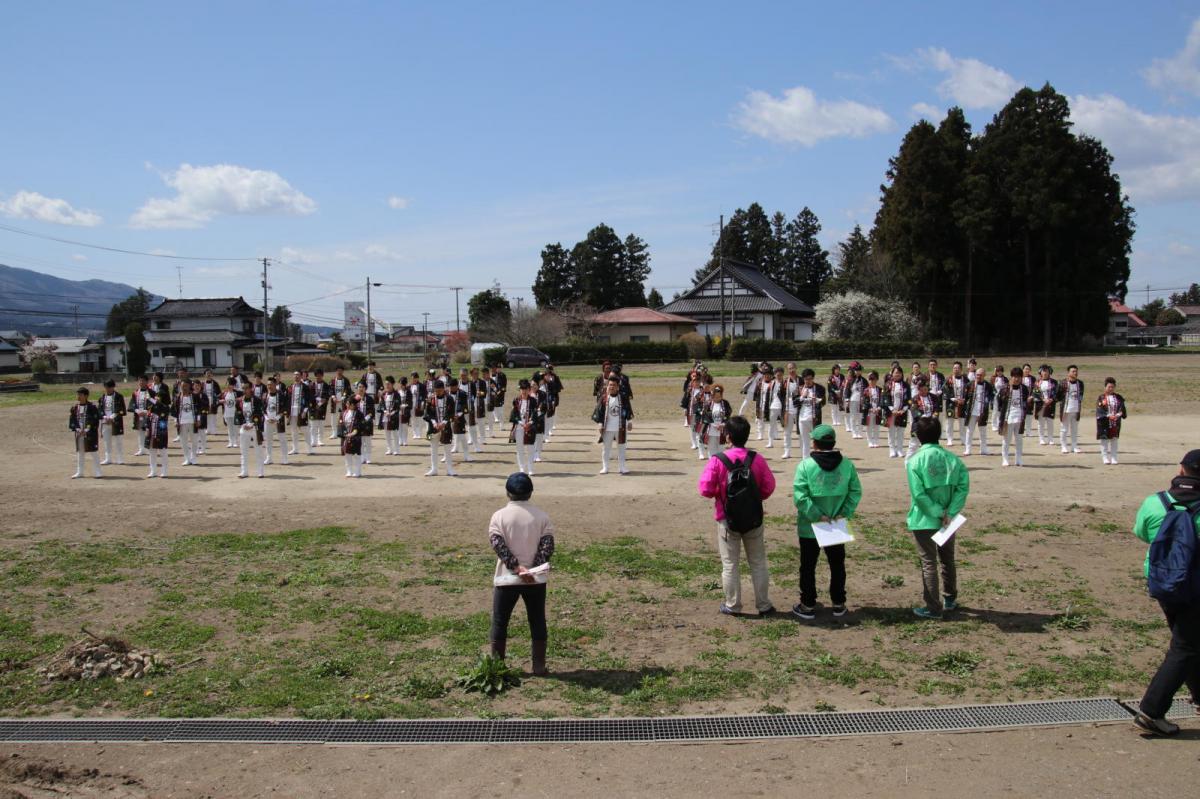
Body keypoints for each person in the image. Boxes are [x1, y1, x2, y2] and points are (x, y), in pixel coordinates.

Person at [1129, 449, 1200, 736]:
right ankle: (1151, 711)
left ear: (1181, 470)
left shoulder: (1155, 502)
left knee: (1190, 640)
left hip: (1161, 582)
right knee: (1186, 646)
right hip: (1194, 587)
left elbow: (1142, 533)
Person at [697, 416, 776, 617]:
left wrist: (721, 494)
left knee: (730, 564)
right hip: (753, 517)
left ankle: (733, 605)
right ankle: (764, 605)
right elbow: (769, 487)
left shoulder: (718, 460)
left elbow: (705, 489)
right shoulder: (757, 459)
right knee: (758, 562)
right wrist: (754, 497)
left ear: (728, 436)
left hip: (727, 518)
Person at [791, 424, 862, 619]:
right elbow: (855, 491)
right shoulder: (847, 465)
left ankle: (807, 604)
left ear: (813, 443)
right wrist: (843, 513)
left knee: (808, 565)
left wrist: (816, 515)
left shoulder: (806, 466)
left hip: (810, 527)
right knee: (837, 564)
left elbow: (800, 496)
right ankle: (839, 603)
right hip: (836, 525)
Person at [487, 472, 555, 675]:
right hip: (535, 579)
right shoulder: (542, 516)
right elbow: (547, 546)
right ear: (531, 493)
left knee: (500, 620)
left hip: (506, 579)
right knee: (537, 619)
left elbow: (498, 546)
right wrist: (530, 570)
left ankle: (497, 666)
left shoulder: (499, 516)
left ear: (507, 493)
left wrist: (516, 568)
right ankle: (539, 666)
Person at [906, 417, 970, 619]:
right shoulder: (953, 459)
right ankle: (950, 598)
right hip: (947, 520)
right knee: (947, 559)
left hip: (925, 519)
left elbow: (919, 494)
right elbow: (962, 488)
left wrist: (937, 512)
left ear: (917, 435)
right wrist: (950, 513)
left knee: (928, 562)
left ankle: (933, 607)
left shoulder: (915, 461)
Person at [594, 375, 633, 475]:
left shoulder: (623, 398)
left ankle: (622, 467)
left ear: (618, 387)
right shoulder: (604, 398)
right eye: (610, 385)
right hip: (607, 429)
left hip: (621, 428)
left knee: (622, 448)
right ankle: (605, 467)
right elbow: (599, 412)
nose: (611, 387)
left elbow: (628, 410)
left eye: (614, 385)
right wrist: (600, 423)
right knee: (606, 449)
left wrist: (629, 422)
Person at [997, 366, 1030, 467]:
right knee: (1006, 440)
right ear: (1011, 377)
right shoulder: (1004, 388)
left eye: (1019, 377)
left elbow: (1025, 402)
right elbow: (999, 403)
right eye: (1014, 376)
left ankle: (1018, 458)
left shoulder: (1024, 389)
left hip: (1020, 418)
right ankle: (1005, 458)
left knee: (1019, 439)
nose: (1016, 379)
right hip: (1008, 418)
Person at [424, 379, 457, 476]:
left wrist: (444, 423)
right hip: (432, 428)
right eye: (436, 391)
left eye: (440, 390)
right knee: (433, 448)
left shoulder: (450, 398)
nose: (438, 392)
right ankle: (434, 469)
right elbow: (427, 414)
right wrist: (434, 423)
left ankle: (449, 469)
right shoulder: (430, 399)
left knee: (447, 448)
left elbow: (451, 413)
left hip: (446, 427)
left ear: (444, 389)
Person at [69, 387, 102, 479]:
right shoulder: (75, 408)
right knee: (80, 452)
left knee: (93, 452)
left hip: (90, 433)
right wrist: (78, 429)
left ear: (86, 395)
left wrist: (86, 429)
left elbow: (94, 420)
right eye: (78, 395)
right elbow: (73, 420)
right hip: (79, 433)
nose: (78, 397)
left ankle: (98, 471)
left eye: (80, 395)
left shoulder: (92, 407)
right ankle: (80, 472)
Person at [509, 379, 539, 476]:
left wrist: (529, 423)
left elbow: (535, 414)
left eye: (526, 389)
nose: (524, 391)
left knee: (530, 448)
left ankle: (530, 467)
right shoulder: (516, 400)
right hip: (519, 427)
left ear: (529, 390)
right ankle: (522, 467)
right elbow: (513, 415)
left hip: (530, 427)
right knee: (519, 448)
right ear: (519, 390)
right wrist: (522, 423)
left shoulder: (533, 401)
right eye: (522, 389)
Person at [794, 368, 826, 460]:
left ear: (813, 378)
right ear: (803, 379)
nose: (808, 381)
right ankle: (805, 461)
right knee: (805, 442)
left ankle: (818, 460)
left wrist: (815, 400)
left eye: (810, 378)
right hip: (802, 419)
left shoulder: (820, 388)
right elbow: (794, 403)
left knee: (817, 440)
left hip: (814, 418)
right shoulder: (799, 388)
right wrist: (802, 397)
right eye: (806, 379)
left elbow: (823, 402)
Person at [234, 382, 264, 478]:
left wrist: (252, 424)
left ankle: (260, 471)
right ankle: (244, 471)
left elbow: (260, 413)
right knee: (243, 450)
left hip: (255, 428)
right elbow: (238, 414)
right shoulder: (239, 401)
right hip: (244, 428)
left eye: (246, 388)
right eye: (243, 388)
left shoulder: (257, 400)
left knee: (258, 450)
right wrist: (243, 424)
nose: (244, 390)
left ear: (251, 389)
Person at [963, 367, 994, 457]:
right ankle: (968, 449)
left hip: (982, 412)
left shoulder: (988, 385)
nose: (978, 376)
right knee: (969, 431)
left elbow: (992, 396)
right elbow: (965, 397)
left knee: (983, 431)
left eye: (980, 375)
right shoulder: (969, 385)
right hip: (972, 411)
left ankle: (983, 449)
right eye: (977, 374)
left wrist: (989, 400)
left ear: (984, 375)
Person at [1096, 377, 1128, 465]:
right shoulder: (1101, 397)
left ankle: (1114, 457)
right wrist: (1108, 416)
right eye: (1109, 387)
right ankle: (1105, 457)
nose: (1111, 389)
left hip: (1115, 421)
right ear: (1105, 387)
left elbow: (1122, 408)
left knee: (1114, 439)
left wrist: (1117, 415)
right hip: (1104, 421)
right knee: (1104, 440)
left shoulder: (1119, 397)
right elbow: (1099, 410)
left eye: (1112, 387)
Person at [337, 386, 366, 478]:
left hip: (355, 436)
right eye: (347, 403)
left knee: (356, 455)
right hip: (346, 436)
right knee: (347, 454)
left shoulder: (359, 414)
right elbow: (341, 423)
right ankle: (349, 471)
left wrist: (354, 432)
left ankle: (357, 471)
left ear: (353, 405)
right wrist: (343, 433)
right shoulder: (344, 413)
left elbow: (360, 425)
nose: (347, 405)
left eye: (349, 403)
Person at [145, 386, 171, 478]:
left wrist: (160, 433)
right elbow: (148, 417)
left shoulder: (165, 407)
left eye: (159, 396)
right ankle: (153, 471)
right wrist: (147, 428)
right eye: (156, 396)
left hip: (161, 432)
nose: (156, 398)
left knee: (163, 451)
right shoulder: (152, 406)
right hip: (151, 431)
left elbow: (163, 419)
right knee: (152, 452)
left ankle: (165, 471)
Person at [98, 379, 126, 466]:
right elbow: (99, 410)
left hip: (116, 421)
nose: (107, 389)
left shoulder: (119, 396)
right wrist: (105, 417)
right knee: (107, 441)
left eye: (109, 387)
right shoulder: (102, 397)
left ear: (113, 387)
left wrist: (112, 417)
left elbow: (122, 410)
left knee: (118, 440)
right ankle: (108, 458)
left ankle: (120, 458)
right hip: (105, 421)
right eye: (106, 387)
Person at [884, 365, 910, 459]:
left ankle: (900, 449)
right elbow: (885, 398)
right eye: (895, 372)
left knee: (900, 431)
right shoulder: (888, 384)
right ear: (892, 374)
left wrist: (904, 409)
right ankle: (892, 449)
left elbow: (909, 399)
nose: (897, 374)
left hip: (902, 412)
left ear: (902, 374)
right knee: (891, 431)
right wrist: (892, 409)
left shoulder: (906, 385)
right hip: (891, 412)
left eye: (899, 373)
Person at [1058, 365, 1085, 454]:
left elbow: (1081, 396)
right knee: (1064, 429)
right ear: (1068, 373)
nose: (1075, 373)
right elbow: (1057, 395)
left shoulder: (1080, 383)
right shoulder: (1063, 383)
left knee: (1074, 429)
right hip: (1066, 410)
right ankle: (1064, 446)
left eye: (1076, 371)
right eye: (1073, 371)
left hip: (1076, 409)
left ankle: (1074, 446)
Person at [262, 377, 287, 465]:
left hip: (279, 420)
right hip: (267, 421)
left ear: (275, 385)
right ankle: (269, 458)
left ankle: (284, 458)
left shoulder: (281, 395)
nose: (269, 386)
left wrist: (277, 418)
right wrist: (266, 418)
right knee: (268, 440)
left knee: (282, 439)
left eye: (271, 384)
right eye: (268, 384)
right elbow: (262, 408)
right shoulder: (265, 395)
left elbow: (285, 407)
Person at [701, 384, 732, 458]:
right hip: (711, 430)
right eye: (715, 397)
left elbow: (728, 414)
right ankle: (712, 463)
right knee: (711, 448)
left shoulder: (725, 403)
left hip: (722, 430)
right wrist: (713, 425)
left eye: (719, 397)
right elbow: (705, 416)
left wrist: (723, 424)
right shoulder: (708, 404)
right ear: (712, 396)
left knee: (721, 448)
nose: (717, 398)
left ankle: (720, 463)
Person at [1032, 365, 1059, 445]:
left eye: (1047, 371)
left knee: (1050, 422)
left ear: (1049, 372)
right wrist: (1043, 399)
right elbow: (1035, 393)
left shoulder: (1054, 382)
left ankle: (1050, 439)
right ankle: (1041, 438)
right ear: (1040, 372)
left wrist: (1051, 399)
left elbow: (1056, 392)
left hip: (1050, 404)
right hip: (1040, 404)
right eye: (1043, 371)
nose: (1045, 373)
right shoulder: (1037, 382)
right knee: (1041, 422)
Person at [286, 371, 311, 456]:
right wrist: (288, 413)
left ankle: (309, 448)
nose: (296, 377)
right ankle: (295, 449)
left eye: (298, 375)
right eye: (295, 375)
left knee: (305, 430)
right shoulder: (290, 387)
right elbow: (288, 400)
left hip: (302, 411)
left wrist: (305, 410)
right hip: (292, 412)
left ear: (301, 376)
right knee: (293, 431)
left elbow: (308, 400)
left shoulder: (305, 387)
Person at [944, 362, 967, 446]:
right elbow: (944, 390)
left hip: (962, 403)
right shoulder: (948, 379)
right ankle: (949, 439)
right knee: (949, 422)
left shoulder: (965, 379)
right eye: (954, 368)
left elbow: (968, 390)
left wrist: (964, 399)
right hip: (951, 403)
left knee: (962, 422)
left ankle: (963, 439)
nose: (956, 369)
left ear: (961, 369)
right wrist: (951, 398)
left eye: (958, 368)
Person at [861, 371, 884, 449]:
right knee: (869, 426)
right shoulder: (866, 390)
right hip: (869, 411)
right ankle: (870, 441)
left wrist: (878, 408)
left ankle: (876, 441)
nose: (871, 381)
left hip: (877, 411)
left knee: (877, 426)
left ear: (877, 379)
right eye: (870, 379)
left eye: (873, 379)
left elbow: (882, 400)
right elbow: (864, 401)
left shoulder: (880, 390)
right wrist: (870, 408)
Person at [130, 375, 152, 455]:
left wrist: (146, 411)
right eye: (140, 381)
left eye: (143, 381)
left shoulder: (150, 392)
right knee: (140, 432)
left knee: (149, 431)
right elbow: (133, 404)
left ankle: (149, 448)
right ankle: (141, 449)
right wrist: (137, 411)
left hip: (148, 415)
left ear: (147, 382)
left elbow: (153, 403)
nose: (141, 382)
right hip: (139, 415)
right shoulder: (136, 392)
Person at [309, 368, 330, 448]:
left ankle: (320, 440)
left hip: (322, 407)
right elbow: (310, 395)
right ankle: (313, 440)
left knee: (321, 424)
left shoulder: (326, 385)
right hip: (313, 407)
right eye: (317, 376)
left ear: (322, 376)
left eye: (320, 376)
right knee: (313, 424)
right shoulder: (311, 385)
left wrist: (321, 402)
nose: (318, 377)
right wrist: (317, 400)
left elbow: (327, 396)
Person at [220, 378, 240, 448]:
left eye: (230, 384)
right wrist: (221, 401)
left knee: (235, 428)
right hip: (227, 413)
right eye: (228, 384)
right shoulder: (224, 393)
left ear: (234, 385)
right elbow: (217, 400)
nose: (229, 386)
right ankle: (230, 442)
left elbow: (243, 397)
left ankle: (235, 442)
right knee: (229, 428)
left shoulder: (236, 393)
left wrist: (238, 399)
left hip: (235, 413)